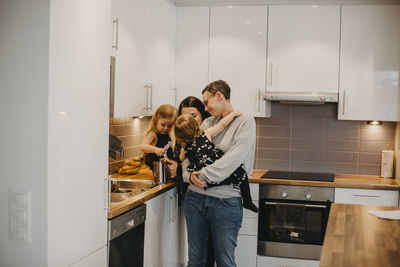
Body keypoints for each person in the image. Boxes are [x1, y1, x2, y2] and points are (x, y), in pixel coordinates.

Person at [182, 80, 256, 267]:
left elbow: (234, 159)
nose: (205, 107)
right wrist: (188, 176)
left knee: (225, 262)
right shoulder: (207, 122)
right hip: (195, 199)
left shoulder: (245, 122)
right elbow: (190, 153)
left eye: (206, 102)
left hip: (225, 202)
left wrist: (202, 175)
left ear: (219, 96)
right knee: (196, 261)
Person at [163, 96, 216, 267]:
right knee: (197, 249)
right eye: (184, 117)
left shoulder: (210, 135)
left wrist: (179, 169)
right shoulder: (179, 138)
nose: (189, 120)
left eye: (194, 115)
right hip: (191, 196)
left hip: (212, 197)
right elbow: (177, 159)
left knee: (210, 247)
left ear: (203, 116)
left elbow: (203, 169)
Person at [175, 113, 258, 212]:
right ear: (195, 125)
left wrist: (183, 150)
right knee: (242, 174)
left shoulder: (185, 148)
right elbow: (222, 125)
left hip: (204, 177)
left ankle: (184, 191)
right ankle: (248, 201)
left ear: (179, 136)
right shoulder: (206, 134)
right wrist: (233, 114)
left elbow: (181, 159)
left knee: (197, 180)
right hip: (217, 167)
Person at [140, 104, 177, 170]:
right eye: (163, 125)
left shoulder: (168, 134)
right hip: (157, 170)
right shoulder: (153, 134)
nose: (166, 128)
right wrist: (155, 149)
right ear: (156, 121)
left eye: (169, 126)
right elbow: (143, 146)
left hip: (167, 169)